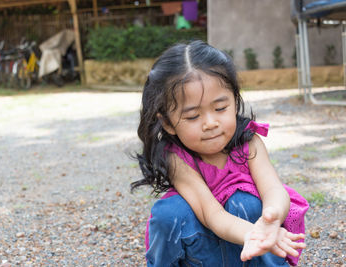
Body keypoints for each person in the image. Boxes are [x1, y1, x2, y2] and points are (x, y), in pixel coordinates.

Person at [131, 40, 309, 266]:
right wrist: (253, 234)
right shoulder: (176, 158)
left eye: (220, 108)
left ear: (235, 102)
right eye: (193, 116)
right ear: (168, 123)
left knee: (247, 203)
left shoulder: (249, 142)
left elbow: (274, 188)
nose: (210, 123)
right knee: (169, 213)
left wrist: (272, 218)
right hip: (207, 251)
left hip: (252, 251)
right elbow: (211, 214)